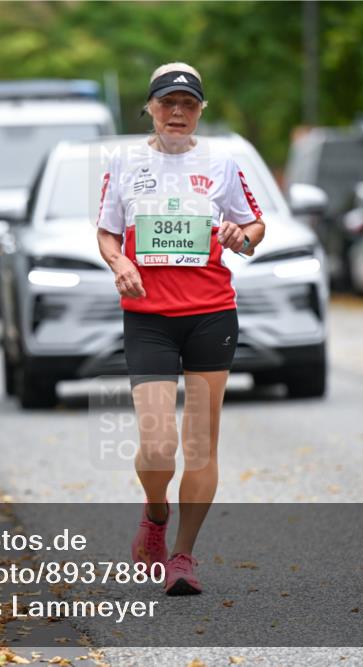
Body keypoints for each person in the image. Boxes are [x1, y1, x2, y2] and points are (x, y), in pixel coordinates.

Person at [95, 62, 266, 595]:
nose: (177, 112)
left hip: (211, 311)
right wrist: (119, 263)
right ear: (149, 106)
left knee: (199, 443)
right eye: (167, 102)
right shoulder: (124, 162)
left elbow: (255, 225)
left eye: (188, 104)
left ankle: (183, 556)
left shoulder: (222, 161)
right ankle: (154, 513)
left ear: (200, 111)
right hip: (149, 317)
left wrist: (243, 235)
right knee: (157, 444)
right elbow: (106, 233)